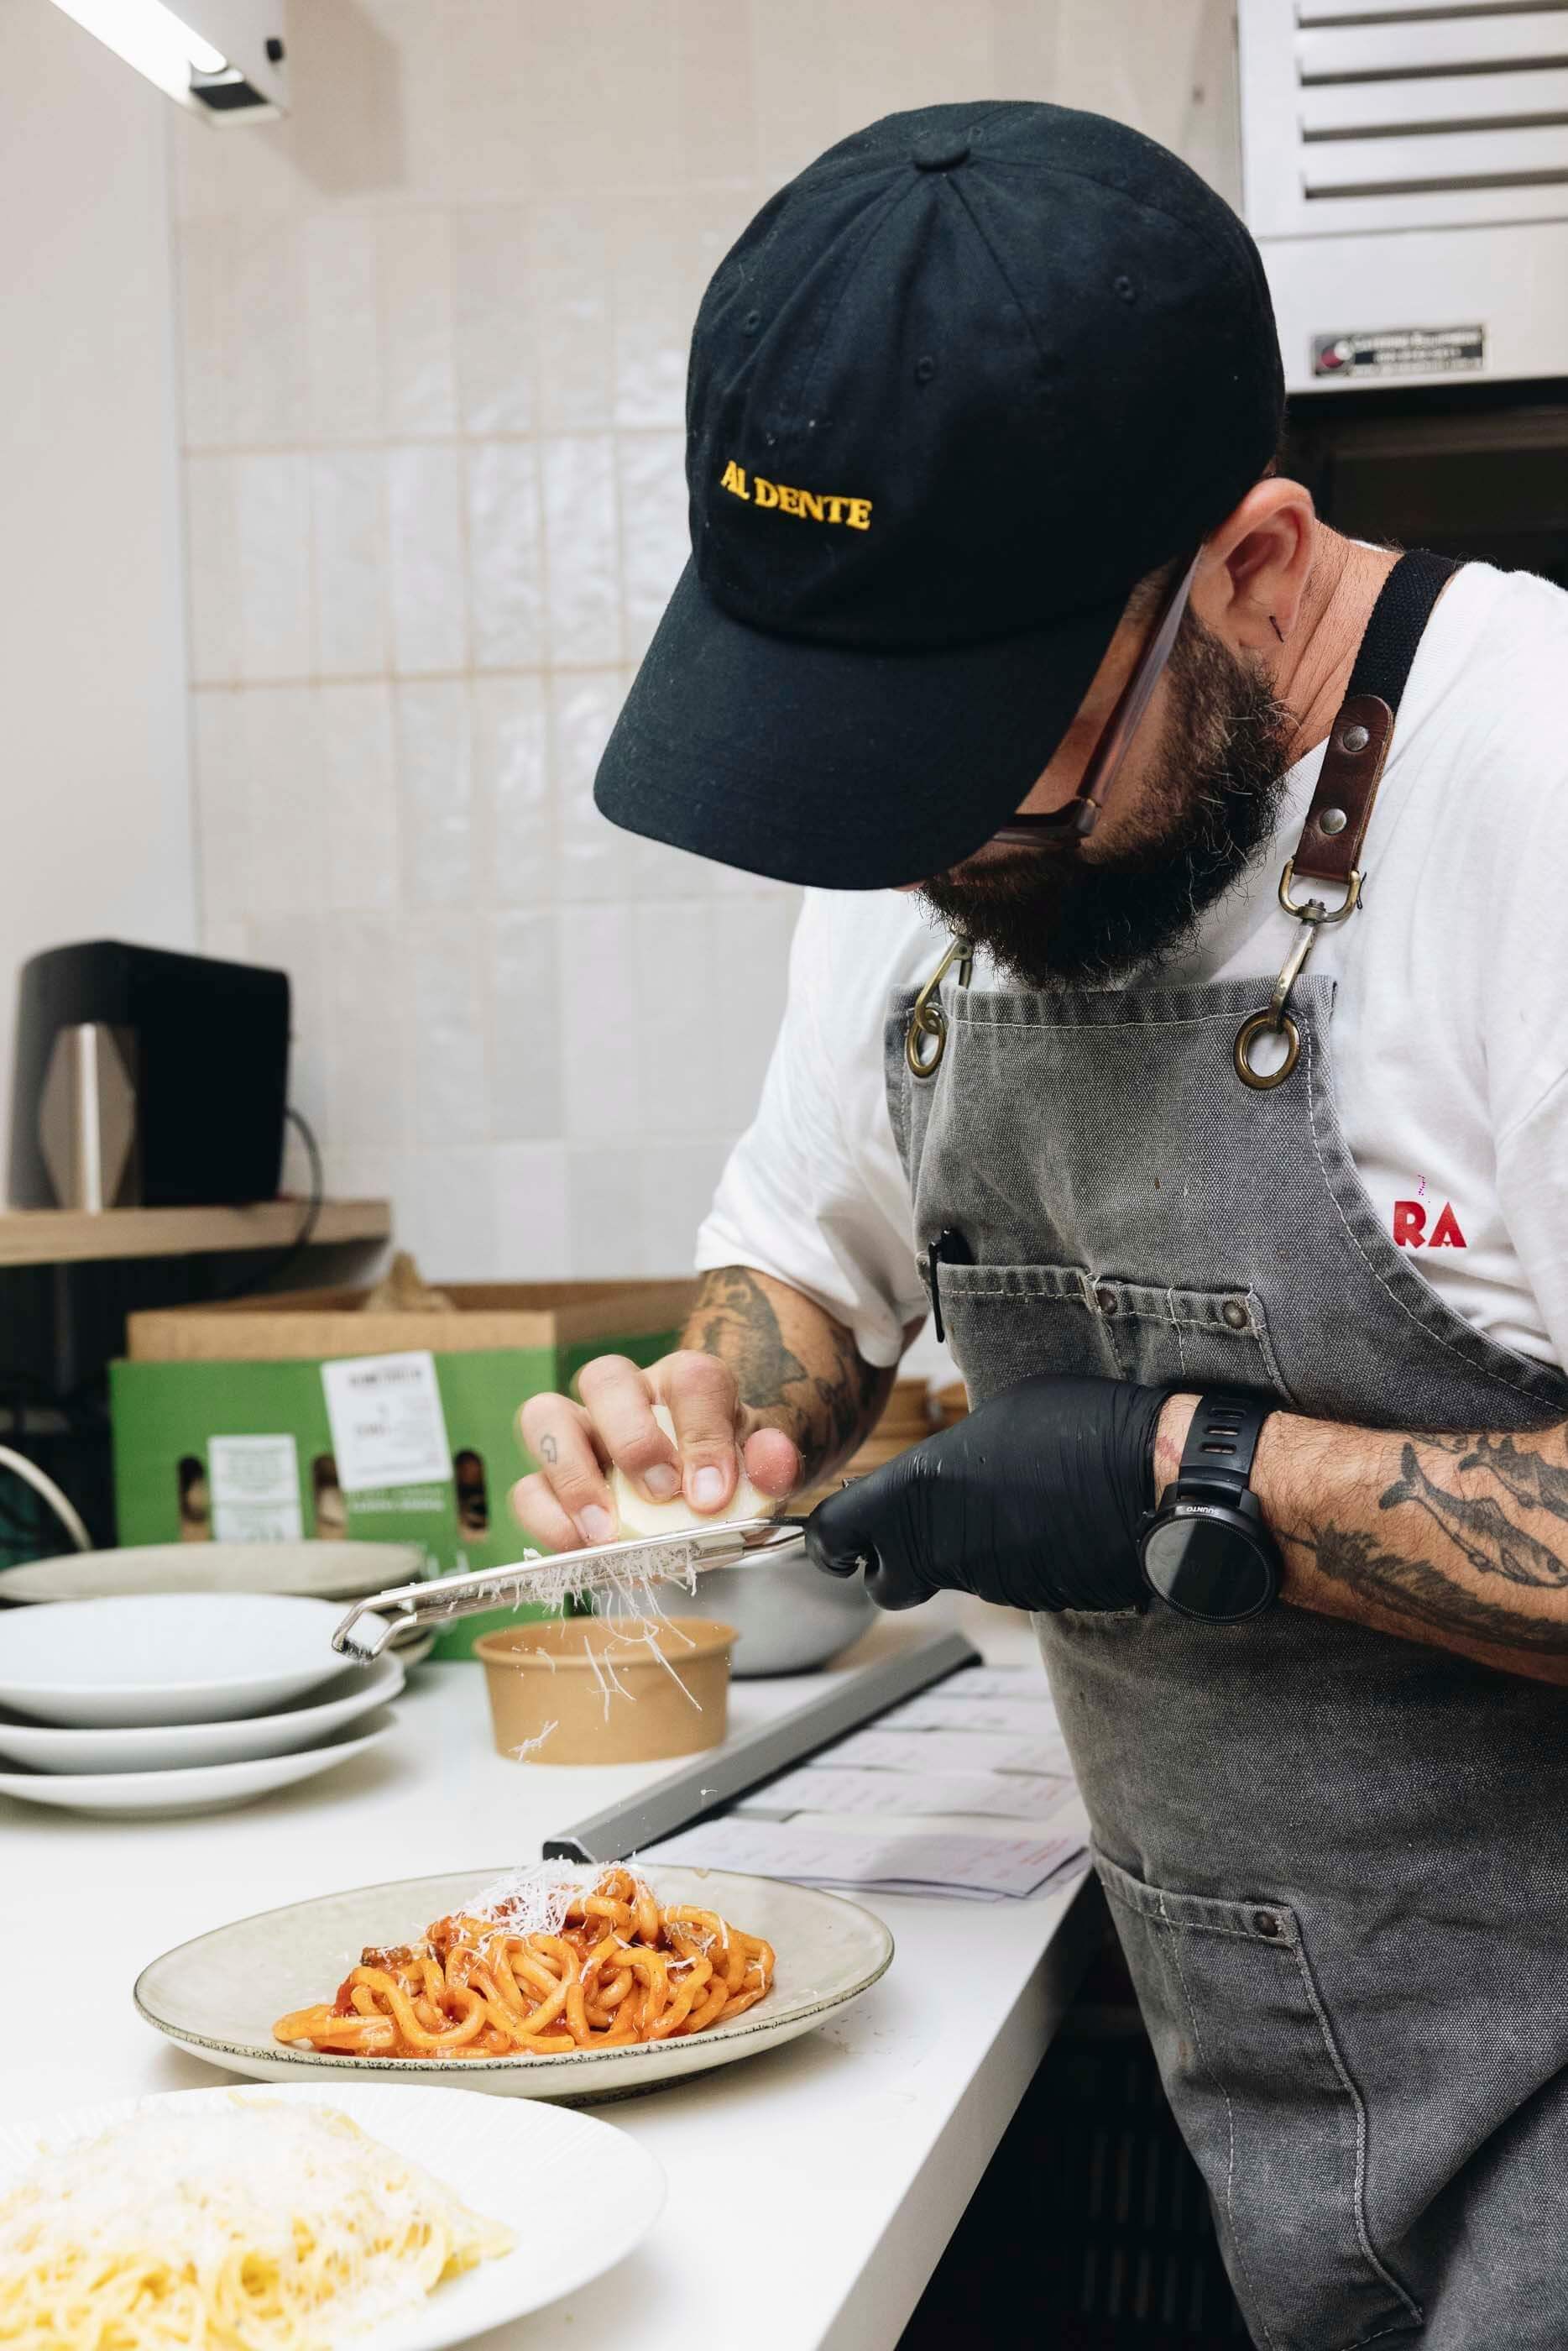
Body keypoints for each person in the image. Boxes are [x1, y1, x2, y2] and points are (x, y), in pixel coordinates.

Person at [512, 100, 1568, 2347]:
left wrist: (1201, 1480)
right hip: (1277, 2099)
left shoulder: (1534, 808)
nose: (937, 864)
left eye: (999, 768)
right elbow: (811, 1251)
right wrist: (711, 1421)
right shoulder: (957, 829)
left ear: (1256, 565)